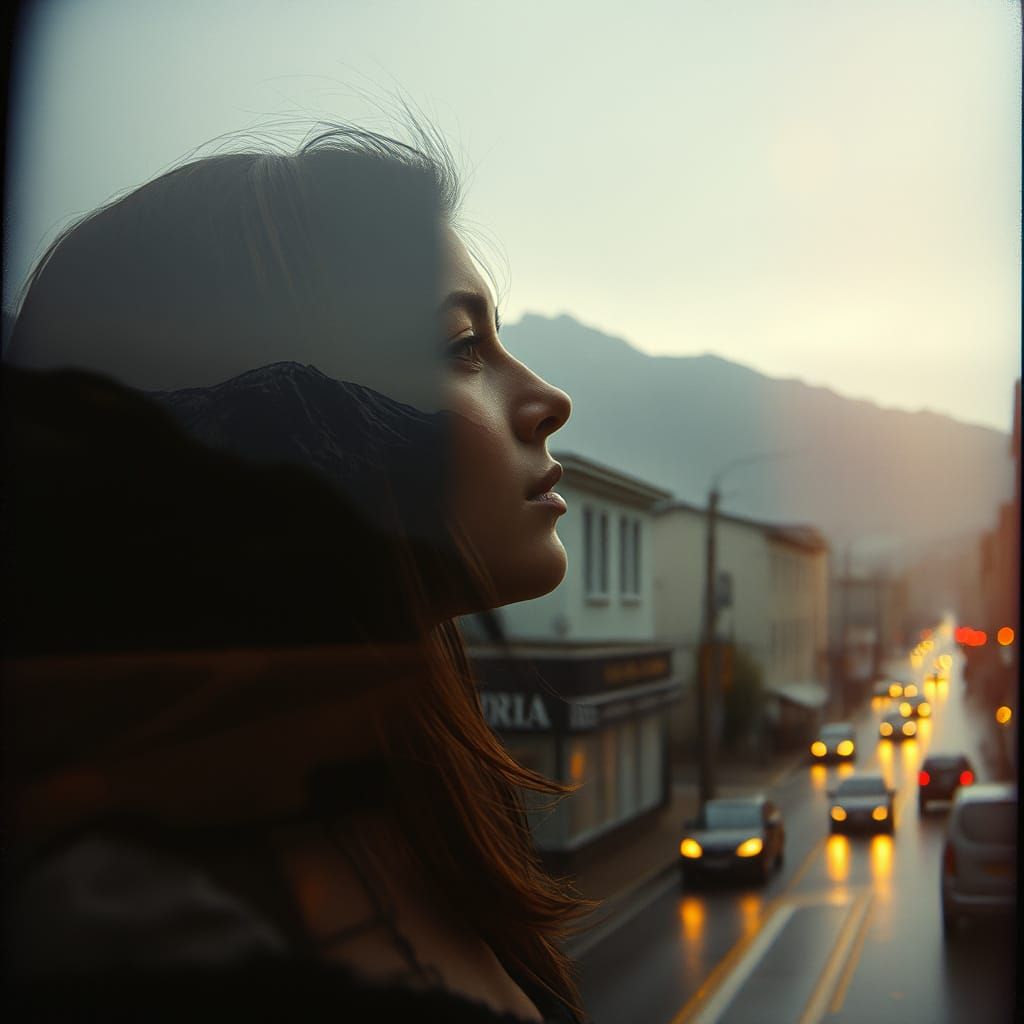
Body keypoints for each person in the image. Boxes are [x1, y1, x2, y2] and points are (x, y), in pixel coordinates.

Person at [1, 121, 589, 1022]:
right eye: (460, 348)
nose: (548, 401)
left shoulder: (410, 800)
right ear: (276, 410)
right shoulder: (132, 935)